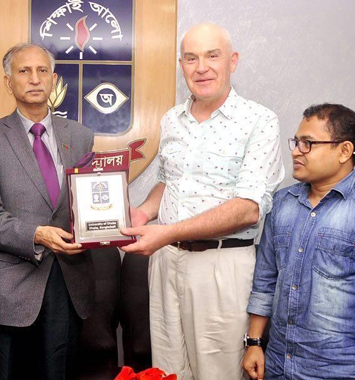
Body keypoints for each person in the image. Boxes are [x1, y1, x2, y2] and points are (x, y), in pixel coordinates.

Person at [121, 23, 284, 379]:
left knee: (218, 372)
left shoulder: (259, 121)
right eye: (191, 58)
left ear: (233, 61)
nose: (202, 67)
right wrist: (143, 212)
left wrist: (166, 232)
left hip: (221, 265)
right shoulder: (172, 119)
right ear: (181, 64)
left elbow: (248, 208)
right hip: (165, 262)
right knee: (166, 369)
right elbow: (168, 181)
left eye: (213, 56)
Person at [243, 104, 355, 380]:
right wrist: (254, 343)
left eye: (308, 143)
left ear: (344, 151)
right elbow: (265, 281)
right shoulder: (283, 203)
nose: (296, 150)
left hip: (340, 370)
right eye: (296, 141)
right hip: (276, 365)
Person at [0, 43, 95, 380]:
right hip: (11, 281)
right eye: (24, 71)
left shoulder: (81, 137)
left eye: (42, 71)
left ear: (54, 79)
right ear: (9, 82)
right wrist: (36, 234)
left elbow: (89, 203)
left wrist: (101, 226)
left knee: (60, 370)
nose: (34, 79)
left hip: (69, 279)